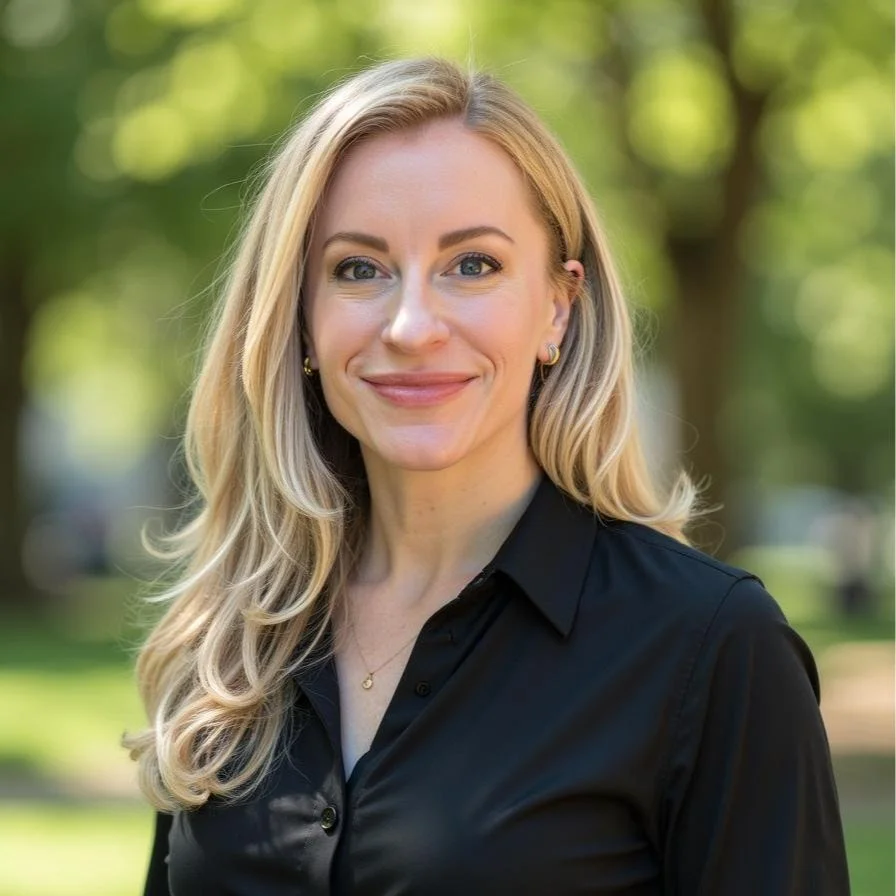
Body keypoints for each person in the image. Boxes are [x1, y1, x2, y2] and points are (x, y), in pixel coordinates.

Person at [128, 57, 850, 895]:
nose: (411, 325)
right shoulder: (227, 643)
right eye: (358, 268)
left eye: (472, 265)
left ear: (558, 305)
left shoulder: (713, 648)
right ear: (298, 317)